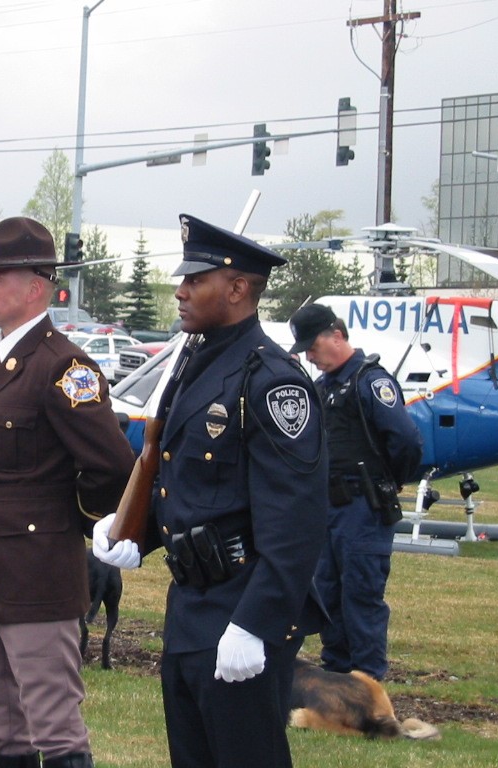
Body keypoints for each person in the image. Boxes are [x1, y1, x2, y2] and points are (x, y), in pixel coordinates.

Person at [94, 213, 329, 768]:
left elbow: (297, 522)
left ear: (238, 288)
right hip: (191, 608)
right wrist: (137, 531)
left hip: (242, 607)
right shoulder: (196, 363)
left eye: (195, 280)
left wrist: (255, 624)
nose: (180, 290)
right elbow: (189, 481)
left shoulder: (271, 381)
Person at [0, 216, 135, 768]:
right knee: (2, 729)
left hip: (36, 574)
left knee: (53, 729)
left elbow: (111, 466)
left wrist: (73, 517)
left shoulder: (63, 366)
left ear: (34, 287)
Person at [288, 303, 423, 681]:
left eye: (313, 347)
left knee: (360, 596)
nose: (311, 357)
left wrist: (391, 480)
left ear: (337, 335)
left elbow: (406, 441)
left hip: (363, 508)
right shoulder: (320, 390)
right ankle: (337, 679)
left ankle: (366, 684)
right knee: (327, 594)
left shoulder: (370, 382)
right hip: (327, 509)